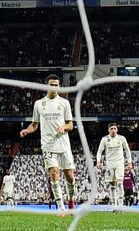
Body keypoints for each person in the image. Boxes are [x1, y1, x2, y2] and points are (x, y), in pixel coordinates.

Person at [20, 74, 77, 212]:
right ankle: (61, 207)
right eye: (51, 84)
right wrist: (27, 130)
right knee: (54, 172)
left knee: (70, 176)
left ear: (59, 86)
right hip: (48, 145)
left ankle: (70, 199)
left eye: (56, 85)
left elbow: (70, 125)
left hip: (63, 145)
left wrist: (64, 127)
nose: (53, 87)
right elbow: (34, 125)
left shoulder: (64, 103)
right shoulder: (39, 104)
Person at [95, 122, 133, 208]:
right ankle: (114, 205)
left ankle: (120, 204)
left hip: (119, 163)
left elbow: (127, 150)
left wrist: (129, 162)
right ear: (108, 130)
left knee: (119, 183)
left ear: (117, 129)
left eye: (115, 129)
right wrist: (98, 161)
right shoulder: (104, 139)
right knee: (112, 185)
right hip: (109, 164)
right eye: (111, 129)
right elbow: (100, 151)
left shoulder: (121, 138)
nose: (113, 130)